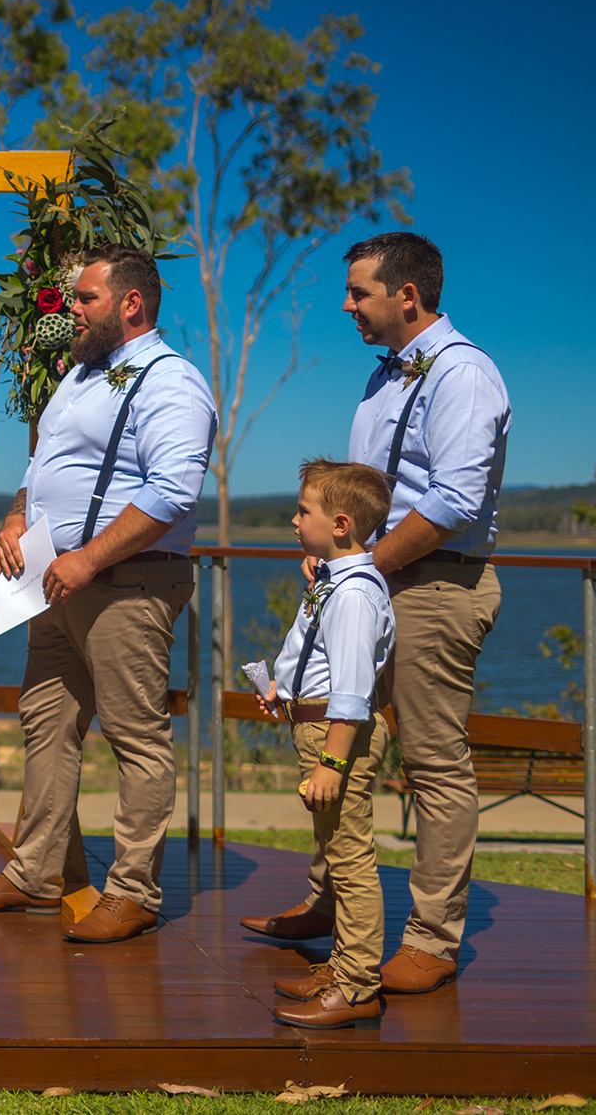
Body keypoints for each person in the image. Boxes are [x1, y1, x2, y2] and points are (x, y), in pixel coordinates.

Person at [241, 232, 509, 994]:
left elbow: (454, 500)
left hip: (434, 588)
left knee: (432, 763)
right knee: (343, 744)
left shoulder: (465, 375)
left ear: (408, 297)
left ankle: (432, 936)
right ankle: (334, 905)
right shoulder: (382, 379)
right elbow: (367, 497)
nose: (347, 305)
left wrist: (355, 563)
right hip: (374, 579)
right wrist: (338, 550)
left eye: (359, 292)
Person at [0, 244, 215, 944]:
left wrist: (89, 558)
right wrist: (15, 516)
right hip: (54, 582)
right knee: (46, 722)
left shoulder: (170, 382)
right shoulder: (80, 377)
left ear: (131, 303)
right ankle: (35, 871)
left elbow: (174, 490)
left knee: (135, 737)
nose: (73, 311)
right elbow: (43, 465)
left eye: (86, 299)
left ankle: (133, 891)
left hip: (124, 583)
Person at [252, 460, 396, 1030]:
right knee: (336, 852)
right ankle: (342, 966)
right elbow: (319, 660)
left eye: (303, 511)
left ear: (340, 523)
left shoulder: (355, 596)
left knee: (351, 858)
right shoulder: (336, 582)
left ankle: (358, 984)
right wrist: (284, 692)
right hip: (317, 727)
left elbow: (354, 689)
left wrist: (333, 762)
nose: (293, 520)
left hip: (339, 738)